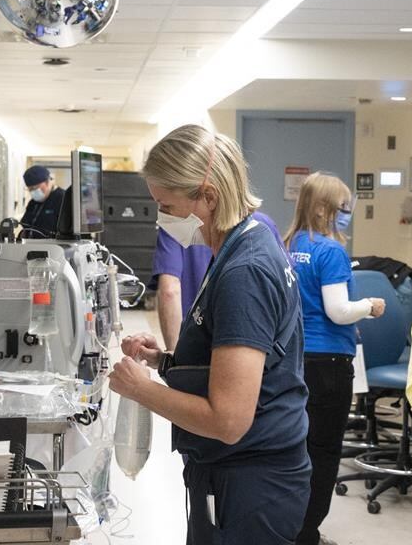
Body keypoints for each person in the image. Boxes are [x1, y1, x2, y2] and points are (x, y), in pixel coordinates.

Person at [111, 125, 311, 545]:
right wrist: (165, 361)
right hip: (241, 473)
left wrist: (140, 390)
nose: (162, 218)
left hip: (250, 480)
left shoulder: (245, 272)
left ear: (209, 196)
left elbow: (229, 420)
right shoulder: (246, 239)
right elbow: (240, 359)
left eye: (167, 206)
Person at [283, 172, 385, 545]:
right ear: (322, 209)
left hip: (294, 359)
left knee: (295, 449)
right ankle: (307, 534)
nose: (347, 213)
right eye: (343, 207)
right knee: (324, 453)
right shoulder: (331, 251)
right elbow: (338, 311)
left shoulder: (288, 245)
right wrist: (370, 306)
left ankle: (288, 528)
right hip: (329, 366)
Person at [151, 212, 282, 350]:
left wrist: (174, 355)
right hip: (254, 344)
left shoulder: (176, 223)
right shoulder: (262, 224)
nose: (163, 211)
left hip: (196, 345)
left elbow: (169, 291)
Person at [19, 165, 65, 239]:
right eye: (30, 189)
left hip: (53, 245)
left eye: (35, 188)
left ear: (47, 182)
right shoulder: (33, 203)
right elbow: (25, 225)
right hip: (31, 244)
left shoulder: (63, 199)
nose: (33, 192)